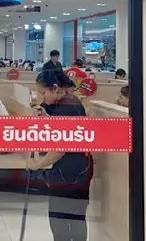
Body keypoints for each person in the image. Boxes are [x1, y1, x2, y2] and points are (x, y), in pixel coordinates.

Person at [29, 69, 92, 241]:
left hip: (69, 172)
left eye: (43, 93)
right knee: (76, 217)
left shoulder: (66, 108)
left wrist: (37, 164)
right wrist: (46, 116)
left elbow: (59, 149)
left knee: (60, 220)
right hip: (79, 168)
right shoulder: (71, 101)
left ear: (56, 88)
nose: (42, 98)